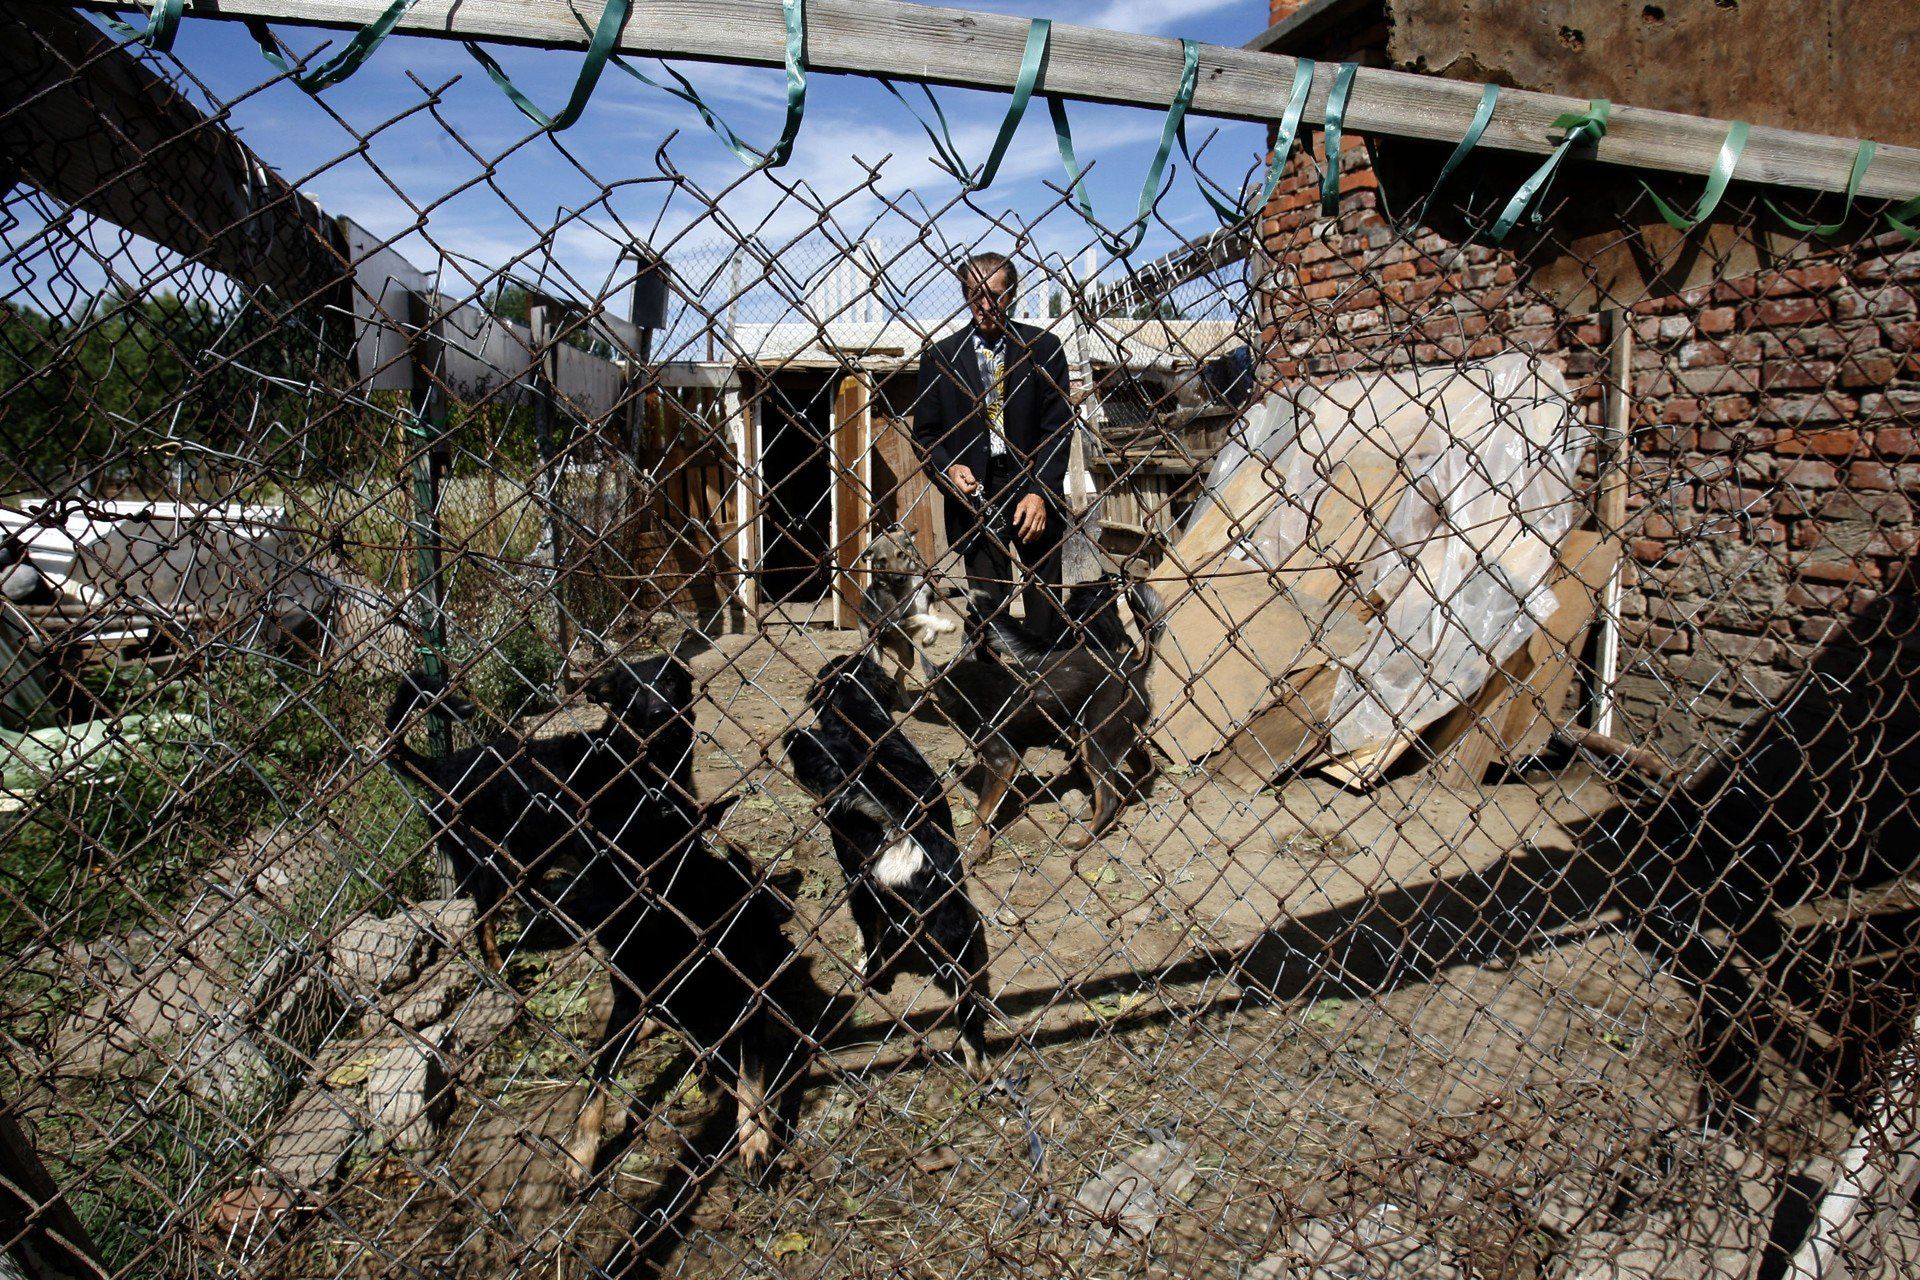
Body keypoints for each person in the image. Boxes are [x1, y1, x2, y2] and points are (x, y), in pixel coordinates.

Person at [910, 252, 1074, 642]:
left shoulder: (1044, 349)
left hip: (1032, 480)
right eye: (975, 296)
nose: (986, 306)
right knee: (988, 604)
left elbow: (1058, 428)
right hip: (975, 493)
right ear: (965, 295)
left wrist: (1040, 493)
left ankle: (1046, 679)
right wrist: (949, 468)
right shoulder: (941, 356)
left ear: (1012, 295)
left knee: (1045, 600)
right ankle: (989, 684)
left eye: (996, 296)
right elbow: (926, 434)